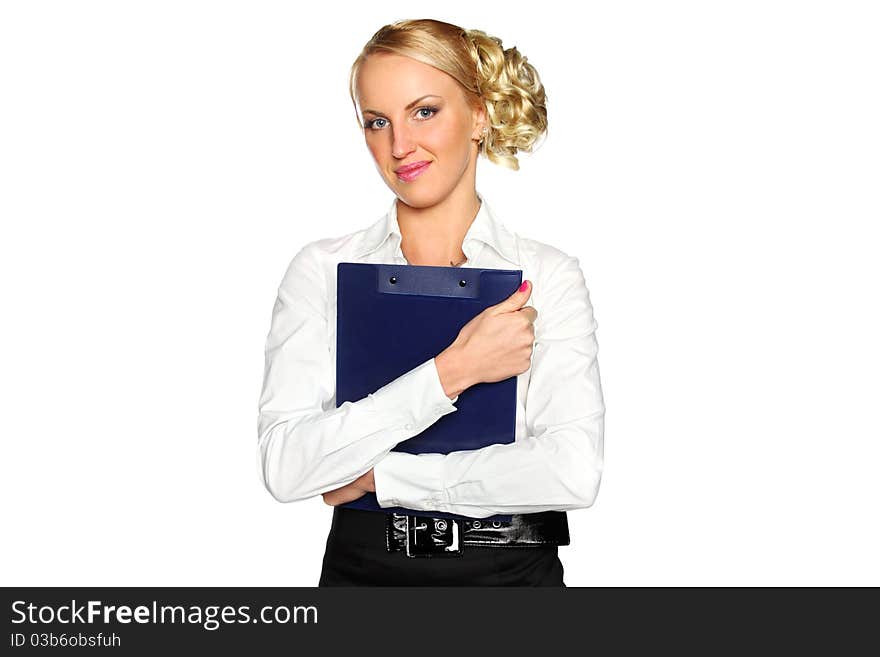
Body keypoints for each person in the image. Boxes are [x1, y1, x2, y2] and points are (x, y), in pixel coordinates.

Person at [257, 18, 605, 586]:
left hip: (514, 577)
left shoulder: (547, 276)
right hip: (363, 574)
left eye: (424, 111)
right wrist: (452, 371)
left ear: (480, 114)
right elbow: (286, 466)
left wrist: (381, 478)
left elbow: (571, 473)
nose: (398, 146)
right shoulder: (320, 272)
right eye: (376, 121)